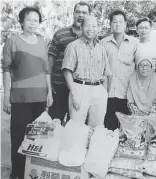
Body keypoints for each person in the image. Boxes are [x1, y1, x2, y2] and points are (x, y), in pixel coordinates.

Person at [2, 7, 53, 179]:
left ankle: (34, 172)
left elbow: (46, 70)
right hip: (20, 98)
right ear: (22, 21)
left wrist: (49, 94)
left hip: (40, 98)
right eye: (29, 20)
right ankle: (17, 173)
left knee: (38, 138)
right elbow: (6, 69)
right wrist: (6, 97)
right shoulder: (12, 41)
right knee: (18, 136)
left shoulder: (42, 42)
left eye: (36, 20)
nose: (33, 23)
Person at [61, 15, 112, 128]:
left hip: (98, 89)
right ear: (82, 27)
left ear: (97, 28)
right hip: (80, 88)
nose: (91, 29)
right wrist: (74, 94)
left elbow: (107, 73)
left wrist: (104, 94)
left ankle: (93, 146)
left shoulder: (101, 48)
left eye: (94, 26)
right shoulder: (73, 46)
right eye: (88, 25)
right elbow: (67, 71)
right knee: (76, 127)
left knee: (97, 127)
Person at [48, 2, 91, 124]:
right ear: (73, 14)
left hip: (80, 90)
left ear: (89, 15)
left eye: (84, 12)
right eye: (78, 12)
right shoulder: (60, 34)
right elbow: (50, 60)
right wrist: (49, 85)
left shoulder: (93, 37)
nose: (81, 15)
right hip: (59, 87)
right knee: (54, 124)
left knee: (76, 125)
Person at [101, 9, 138, 131]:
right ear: (110, 24)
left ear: (125, 24)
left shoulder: (133, 43)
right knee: (109, 128)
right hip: (108, 93)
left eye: (120, 22)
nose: (117, 24)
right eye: (114, 21)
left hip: (127, 93)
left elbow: (139, 67)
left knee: (126, 131)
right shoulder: (103, 43)